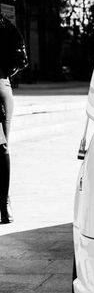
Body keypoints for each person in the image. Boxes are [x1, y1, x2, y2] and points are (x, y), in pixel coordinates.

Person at [0, 13, 28, 224]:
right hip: (1, 85)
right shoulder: (5, 25)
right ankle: (4, 205)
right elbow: (22, 58)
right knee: (1, 146)